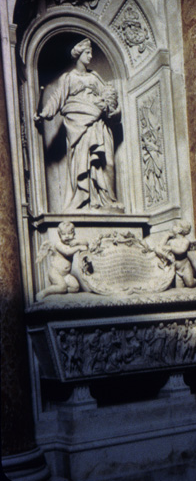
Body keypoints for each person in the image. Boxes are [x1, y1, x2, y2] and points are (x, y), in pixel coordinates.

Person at [36, 38, 123, 212]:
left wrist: (115, 111)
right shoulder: (68, 78)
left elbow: (110, 97)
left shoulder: (95, 77)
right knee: (82, 161)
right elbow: (57, 97)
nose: (90, 56)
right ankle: (84, 199)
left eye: (91, 53)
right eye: (87, 53)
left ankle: (106, 199)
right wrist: (44, 113)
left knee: (106, 163)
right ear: (78, 54)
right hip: (78, 124)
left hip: (98, 122)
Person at [35, 221, 88, 300]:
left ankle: (60, 292)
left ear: (74, 234)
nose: (67, 236)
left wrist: (78, 242)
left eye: (70, 233)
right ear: (59, 235)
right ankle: (44, 293)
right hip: (55, 272)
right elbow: (67, 252)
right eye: (63, 234)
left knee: (75, 287)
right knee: (62, 287)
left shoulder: (73, 243)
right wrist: (79, 247)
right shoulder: (58, 244)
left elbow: (86, 242)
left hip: (66, 275)